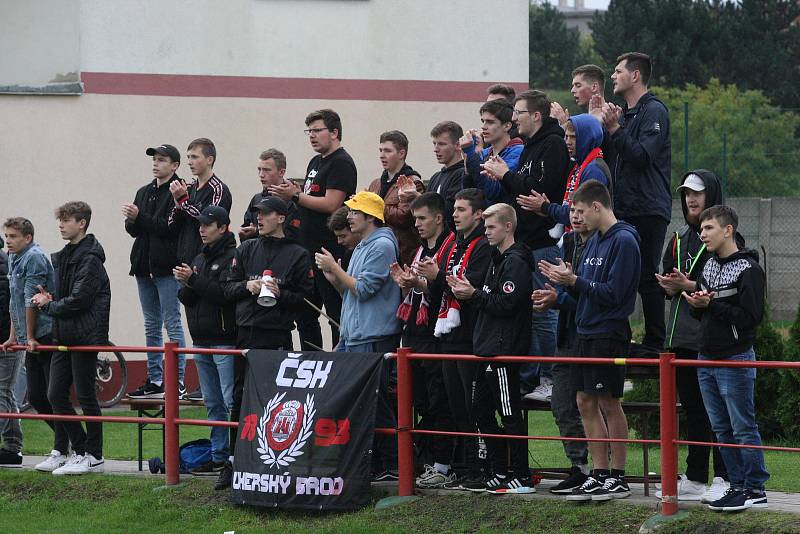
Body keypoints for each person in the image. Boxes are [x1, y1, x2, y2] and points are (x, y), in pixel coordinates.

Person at [539, 180, 640, 501]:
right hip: (584, 332)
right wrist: (562, 290)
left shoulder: (624, 240)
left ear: (597, 207)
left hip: (607, 334)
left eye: (581, 211)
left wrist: (574, 281)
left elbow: (615, 295)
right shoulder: (594, 241)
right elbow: (584, 292)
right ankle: (598, 473)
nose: (576, 217)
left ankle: (618, 476)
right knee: (584, 401)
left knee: (608, 401)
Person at [217, 196, 314, 489]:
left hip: (278, 334)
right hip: (245, 332)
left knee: (277, 400)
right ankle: (234, 461)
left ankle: (274, 459)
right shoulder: (246, 248)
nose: (259, 218)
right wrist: (248, 285)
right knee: (239, 397)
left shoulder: (298, 254)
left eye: (266, 214)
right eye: (257, 213)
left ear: (281, 218)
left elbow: (307, 300)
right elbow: (227, 288)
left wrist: (279, 292)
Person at [481, 89, 570, 400]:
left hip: (544, 241)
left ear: (536, 115)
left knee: (544, 310)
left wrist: (506, 175)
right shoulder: (532, 146)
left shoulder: (553, 145)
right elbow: (525, 194)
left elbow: (538, 193)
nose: (514, 117)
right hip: (526, 241)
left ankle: (551, 376)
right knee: (530, 310)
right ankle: (534, 375)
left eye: (518, 112)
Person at [683, 205, 769, 512]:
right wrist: (696, 303)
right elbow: (702, 311)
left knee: (742, 426)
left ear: (728, 230)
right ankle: (736, 485)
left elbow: (751, 317)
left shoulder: (750, 270)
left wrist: (710, 306)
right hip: (706, 358)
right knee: (721, 428)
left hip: (735, 359)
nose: (702, 234)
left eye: (708, 229)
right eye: (702, 229)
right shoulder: (707, 265)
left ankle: (755, 487)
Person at [655, 171, 731, 503]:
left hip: (711, 339)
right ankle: (697, 476)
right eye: (686, 193)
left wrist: (688, 285)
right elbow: (670, 277)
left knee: (719, 412)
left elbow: (726, 287)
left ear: (711, 195)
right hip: (681, 337)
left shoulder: (726, 239)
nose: (691, 199)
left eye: (697, 193)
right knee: (694, 411)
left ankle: (724, 477)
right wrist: (669, 283)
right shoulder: (678, 236)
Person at [316, 191, 402, 481]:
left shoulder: (381, 246)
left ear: (370, 217)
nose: (349, 216)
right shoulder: (364, 246)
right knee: (359, 401)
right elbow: (352, 293)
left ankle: (389, 465)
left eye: (354, 212)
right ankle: (373, 462)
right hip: (356, 335)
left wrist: (335, 270)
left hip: (374, 335)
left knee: (376, 401)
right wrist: (336, 278)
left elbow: (364, 290)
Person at [448, 203, 534, 494]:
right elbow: (489, 298)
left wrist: (474, 295)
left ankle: (521, 475)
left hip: (504, 350)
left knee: (509, 413)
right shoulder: (497, 260)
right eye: (484, 227)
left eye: (492, 227)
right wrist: (470, 294)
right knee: (479, 410)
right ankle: (499, 469)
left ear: (508, 227)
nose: (486, 232)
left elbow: (507, 304)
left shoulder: (516, 262)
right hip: (486, 348)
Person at [416, 188, 492, 489]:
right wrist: (428, 280)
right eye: (455, 209)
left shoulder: (483, 246)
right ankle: (467, 468)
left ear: (478, 214)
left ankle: (482, 468)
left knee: (475, 410)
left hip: (470, 338)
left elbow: (470, 287)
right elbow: (438, 293)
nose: (455, 215)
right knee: (457, 408)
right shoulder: (454, 246)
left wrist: (438, 277)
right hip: (447, 337)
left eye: (461, 210)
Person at [598, 52, 671, 353]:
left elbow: (641, 157)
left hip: (648, 207)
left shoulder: (654, 111)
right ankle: (622, 338)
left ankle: (655, 343)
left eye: (618, 71)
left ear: (636, 75)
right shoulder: (624, 115)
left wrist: (616, 129)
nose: (613, 76)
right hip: (623, 209)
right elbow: (612, 156)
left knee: (646, 275)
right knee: (621, 275)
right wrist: (602, 125)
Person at [33, 202, 111, 475]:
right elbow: (65, 295)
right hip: (63, 335)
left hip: (85, 336)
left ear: (82, 223)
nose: (61, 224)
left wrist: (47, 305)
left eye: (67, 220)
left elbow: (79, 299)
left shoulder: (90, 259)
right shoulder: (65, 256)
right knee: (54, 394)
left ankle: (95, 455)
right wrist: (50, 299)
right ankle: (79, 449)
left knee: (87, 396)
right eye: (60, 220)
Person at [270, 109, 358, 350]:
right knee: (306, 313)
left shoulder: (341, 162)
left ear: (334, 132)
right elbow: (308, 198)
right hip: (307, 251)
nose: (312, 136)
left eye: (317, 131)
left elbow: (332, 204)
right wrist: (294, 192)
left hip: (330, 249)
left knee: (335, 313)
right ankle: (312, 364)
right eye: (309, 131)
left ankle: (340, 364)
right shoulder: (316, 161)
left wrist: (296, 195)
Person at [390, 192, 456, 488]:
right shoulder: (418, 250)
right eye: (414, 219)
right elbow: (417, 291)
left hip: (438, 336)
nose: (416, 224)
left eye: (422, 218)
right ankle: (427, 460)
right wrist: (406, 283)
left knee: (440, 401)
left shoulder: (451, 246)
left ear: (439, 218)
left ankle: (444, 464)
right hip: (414, 334)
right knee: (420, 401)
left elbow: (449, 290)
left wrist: (423, 283)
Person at [531, 204, 593, 494]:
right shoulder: (567, 243)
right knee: (562, 404)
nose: (576, 217)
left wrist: (564, 292)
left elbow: (599, 298)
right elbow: (568, 295)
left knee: (596, 405)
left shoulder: (610, 242)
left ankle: (606, 471)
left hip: (594, 337)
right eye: (572, 211)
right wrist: (554, 296)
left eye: (581, 211)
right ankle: (579, 467)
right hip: (566, 337)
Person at [1, 218, 68, 471]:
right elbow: (14, 302)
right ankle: (70, 441)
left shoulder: (34, 257)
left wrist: (29, 336)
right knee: (39, 396)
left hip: (45, 334)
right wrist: (14, 336)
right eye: (6, 236)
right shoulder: (14, 258)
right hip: (30, 336)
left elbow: (31, 301)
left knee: (54, 394)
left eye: (13, 236)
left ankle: (64, 447)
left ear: (27, 238)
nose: (8, 241)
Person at [175, 206, 237, 475]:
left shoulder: (233, 257)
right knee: (212, 402)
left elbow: (224, 294)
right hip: (200, 340)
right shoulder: (199, 257)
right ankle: (219, 455)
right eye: (200, 224)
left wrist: (194, 280)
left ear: (222, 227)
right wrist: (187, 283)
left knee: (230, 400)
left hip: (224, 341)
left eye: (207, 225)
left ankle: (236, 456)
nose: (201, 229)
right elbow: (188, 297)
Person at [124, 144, 188, 399]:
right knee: (151, 324)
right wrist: (133, 219)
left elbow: (169, 228)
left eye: (162, 160)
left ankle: (178, 380)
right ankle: (155, 379)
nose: (156, 164)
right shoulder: (144, 191)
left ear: (174, 166)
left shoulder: (179, 191)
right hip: (143, 265)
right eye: (154, 160)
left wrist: (139, 217)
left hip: (167, 266)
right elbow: (134, 230)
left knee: (172, 322)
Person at [169, 138, 233, 265]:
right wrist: (178, 207)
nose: (189, 162)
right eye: (188, 157)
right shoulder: (189, 188)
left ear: (209, 160)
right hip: (183, 262)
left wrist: (183, 201)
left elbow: (210, 220)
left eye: (194, 157)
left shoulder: (218, 189)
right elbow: (172, 226)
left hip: (206, 262)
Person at [367, 130, 425, 266]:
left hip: (401, 254)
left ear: (401, 153)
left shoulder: (412, 182)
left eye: (387, 151)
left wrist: (374, 205)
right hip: (375, 250)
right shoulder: (376, 183)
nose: (382, 155)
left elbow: (404, 217)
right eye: (380, 150)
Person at [461, 99, 523, 204]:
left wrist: (471, 153)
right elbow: (468, 194)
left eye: (490, 122)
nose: (483, 127)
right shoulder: (484, 153)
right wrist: (468, 160)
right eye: (483, 121)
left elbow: (492, 192)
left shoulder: (518, 151)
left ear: (507, 126)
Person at [239, 148, 302, 243]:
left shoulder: (292, 200)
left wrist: (257, 231)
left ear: (281, 172)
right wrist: (244, 233)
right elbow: (247, 227)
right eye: (259, 169)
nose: (261, 175)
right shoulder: (257, 199)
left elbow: (291, 235)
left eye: (266, 170)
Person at [0, 234, 23, 466]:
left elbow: (11, 305)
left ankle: (12, 447)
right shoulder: (7, 261)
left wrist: (12, 337)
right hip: (8, 337)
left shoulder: (6, 263)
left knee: (3, 391)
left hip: (8, 341)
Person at [427, 121, 466, 231]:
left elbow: (450, 211)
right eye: (434, 143)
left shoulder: (463, 174)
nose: (436, 149)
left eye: (442, 144)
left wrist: (417, 197)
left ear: (458, 145)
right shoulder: (436, 177)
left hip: (451, 240)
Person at [327, 206, 359, 271]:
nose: (339, 241)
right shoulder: (347, 255)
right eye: (338, 237)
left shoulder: (375, 249)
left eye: (343, 236)